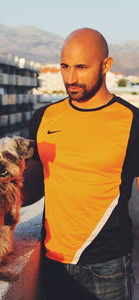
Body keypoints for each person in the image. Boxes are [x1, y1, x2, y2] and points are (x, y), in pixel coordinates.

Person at [22, 28, 139, 300]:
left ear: (106, 65)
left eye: (82, 67)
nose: (71, 78)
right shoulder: (44, 117)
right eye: (65, 66)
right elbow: (36, 186)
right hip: (52, 262)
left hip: (107, 266)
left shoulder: (132, 122)